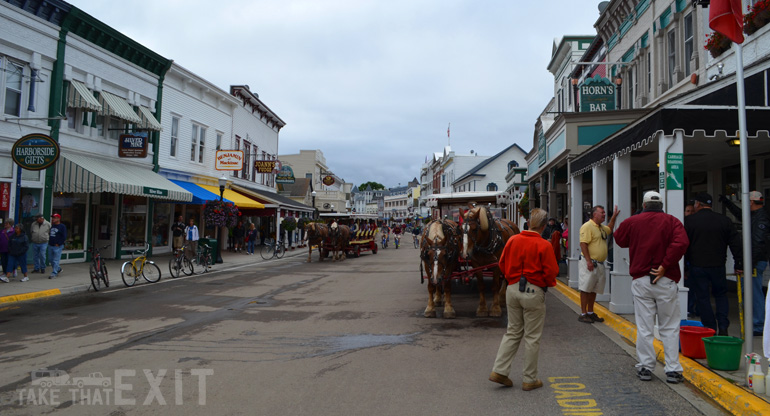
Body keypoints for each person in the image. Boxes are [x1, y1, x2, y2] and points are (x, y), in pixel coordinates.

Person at [613, 191, 689, 384]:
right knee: (670, 326)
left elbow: (620, 240)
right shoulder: (672, 221)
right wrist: (664, 265)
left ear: (644, 205)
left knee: (645, 327)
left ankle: (646, 367)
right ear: (661, 205)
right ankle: (672, 369)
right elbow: (681, 243)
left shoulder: (633, 221)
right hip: (665, 279)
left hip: (641, 280)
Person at [488, 208, 558, 391]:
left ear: (528, 223)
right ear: (543, 227)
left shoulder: (512, 240)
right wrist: (546, 284)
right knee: (532, 337)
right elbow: (551, 272)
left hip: (513, 288)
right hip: (534, 290)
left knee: (512, 331)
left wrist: (511, 278)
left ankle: (500, 370)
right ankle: (529, 378)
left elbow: (502, 264)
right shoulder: (544, 245)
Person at [684, 193, 742, 336]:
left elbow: (683, 245)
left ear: (698, 204)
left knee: (702, 297)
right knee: (721, 295)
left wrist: (685, 267)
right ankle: (723, 326)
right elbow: (736, 244)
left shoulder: (689, 222)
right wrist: (738, 263)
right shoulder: (725, 221)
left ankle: (710, 327)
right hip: (718, 266)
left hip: (697, 266)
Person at [721, 191, 769, 336]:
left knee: (754, 293)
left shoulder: (761, 219)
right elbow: (741, 215)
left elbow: (757, 243)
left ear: (751, 202)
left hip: (754, 262)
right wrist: (728, 202)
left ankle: (758, 325)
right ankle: (755, 322)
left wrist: (748, 264)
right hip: (754, 261)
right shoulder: (756, 216)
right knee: (750, 292)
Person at [577, 205, 619, 323]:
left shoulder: (601, 228)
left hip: (599, 264)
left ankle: (590, 312)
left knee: (594, 288)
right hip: (590, 263)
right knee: (586, 288)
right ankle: (583, 313)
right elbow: (583, 244)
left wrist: (614, 217)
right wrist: (589, 261)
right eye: (602, 212)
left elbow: (610, 229)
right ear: (594, 214)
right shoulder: (587, 226)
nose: (604, 214)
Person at [47, 214, 66, 279]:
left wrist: (59, 243)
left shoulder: (62, 226)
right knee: (50, 259)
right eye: (53, 218)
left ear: (58, 219)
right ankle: (58, 269)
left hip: (57, 246)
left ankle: (54, 273)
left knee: (55, 260)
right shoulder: (53, 226)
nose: (53, 219)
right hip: (50, 245)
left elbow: (64, 236)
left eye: (54, 218)